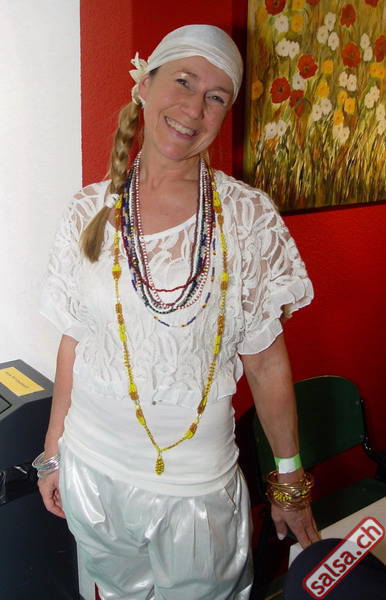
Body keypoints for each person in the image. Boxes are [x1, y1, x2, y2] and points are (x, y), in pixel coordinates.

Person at [36, 24, 320, 600]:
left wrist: (289, 479)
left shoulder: (247, 218)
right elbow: (75, 340)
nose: (194, 108)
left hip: (195, 490)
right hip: (90, 466)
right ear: (144, 84)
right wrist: (52, 451)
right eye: (183, 82)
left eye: (216, 96)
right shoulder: (88, 210)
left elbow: (266, 364)